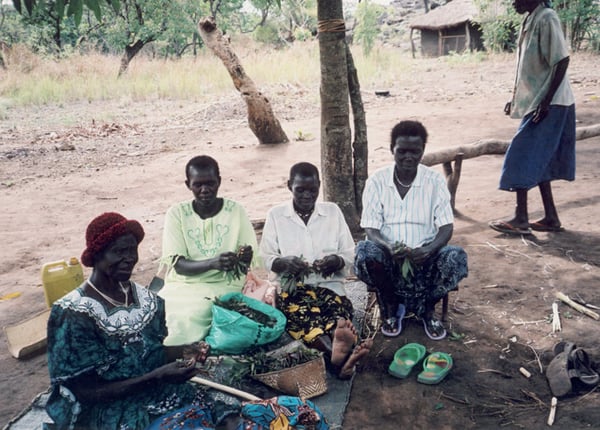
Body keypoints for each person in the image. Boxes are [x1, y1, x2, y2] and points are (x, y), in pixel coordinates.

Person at [46, 212, 222, 429]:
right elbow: (84, 392)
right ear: (96, 255)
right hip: (110, 411)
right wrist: (155, 378)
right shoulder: (74, 313)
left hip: (157, 391)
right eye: (119, 251)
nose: (129, 258)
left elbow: (148, 353)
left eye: (132, 250)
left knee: (228, 417)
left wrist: (185, 351)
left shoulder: (147, 300)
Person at [354, 120, 468, 341]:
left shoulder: (434, 181)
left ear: (422, 151)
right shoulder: (377, 181)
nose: (408, 157)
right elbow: (371, 227)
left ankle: (427, 308)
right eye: (402, 151)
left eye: (414, 151)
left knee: (456, 257)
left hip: (426, 259)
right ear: (392, 150)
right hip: (388, 259)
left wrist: (430, 249)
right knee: (365, 252)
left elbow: (446, 227)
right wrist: (388, 247)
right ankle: (390, 306)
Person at [259, 162, 372, 378]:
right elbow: (266, 257)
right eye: (300, 189)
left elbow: (349, 253)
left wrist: (336, 261)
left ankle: (337, 341)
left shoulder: (332, 212)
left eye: (312, 189)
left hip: (329, 286)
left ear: (319, 185)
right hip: (294, 290)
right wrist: (284, 263)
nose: (307, 195)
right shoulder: (276, 215)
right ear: (289, 185)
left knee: (337, 313)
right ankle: (336, 357)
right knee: (298, 316)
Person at [489, 0, 575, 235]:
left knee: (521, 153)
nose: (513, 2)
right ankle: (551, 217)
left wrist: (545, 102)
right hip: (541, 101)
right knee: (540, 159)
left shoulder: (547, 17)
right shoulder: (530, 19)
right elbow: (532, 68)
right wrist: (517, 98)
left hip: (553, 103)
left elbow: (562, 60)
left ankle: (521, 218)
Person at [159, 155, 259, 346]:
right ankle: (164, 353)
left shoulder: (236, 211)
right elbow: (179, 266)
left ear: (219, 182)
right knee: (162, 311)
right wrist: (213, 263)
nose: (205, 190)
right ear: (188, 184)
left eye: (210, 183)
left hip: (223, 283)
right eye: (198, 184)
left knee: (193, 313)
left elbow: (246, 262)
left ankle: (177, 353)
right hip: (182, 284)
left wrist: (243, 258)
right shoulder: (177, 213)